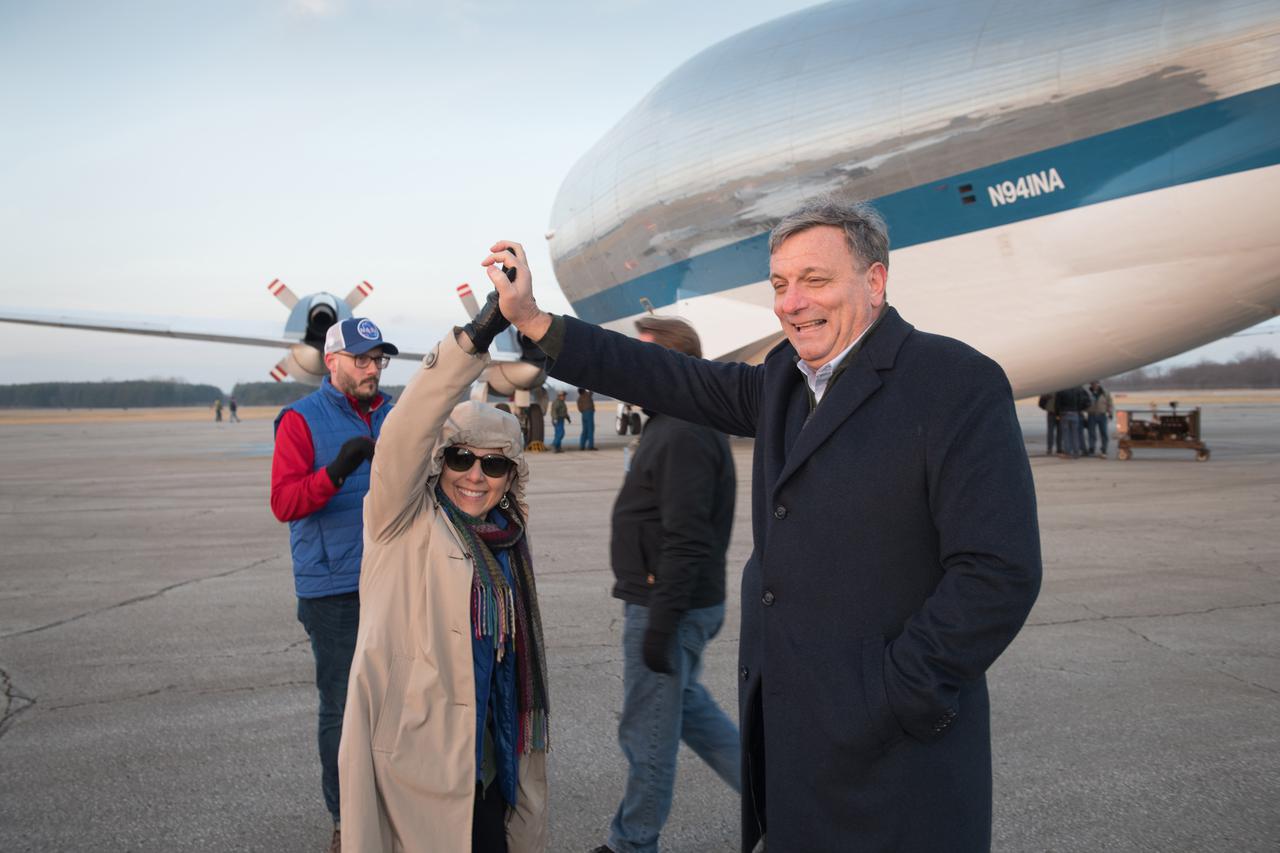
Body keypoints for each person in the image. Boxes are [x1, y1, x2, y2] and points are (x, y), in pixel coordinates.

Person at [483, 197, 1042, 852]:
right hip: (795, 740)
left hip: (895, 760)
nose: (793, 302)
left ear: (875, 281)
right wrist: (537, 321)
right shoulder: (783, 379)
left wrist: (889, 694)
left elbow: (998, 572)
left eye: (815, 280)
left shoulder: (955, 383)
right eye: (780, 284)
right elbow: (669, 376)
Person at [339, 292, 549, 853]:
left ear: (512, 476)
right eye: (461, 458)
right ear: (439, 462)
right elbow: (406, 431)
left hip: (489, 764)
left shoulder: (509, 541)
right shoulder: (399, 522)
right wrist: (475, 338)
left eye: (495, 463)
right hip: (416, 762)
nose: (476, 477)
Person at [592, 315, 740, 853]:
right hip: (668, 600)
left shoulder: (682, 431)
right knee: (690, 714)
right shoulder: (671, 421)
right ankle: (782, 802)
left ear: (670, 365)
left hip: (666, 604)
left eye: (642, 358)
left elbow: (687, 537)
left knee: (647, 735)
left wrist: (661, 620)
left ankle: (632, 844)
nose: (630, 369)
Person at [270, 317, 398, 853]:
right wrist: (336, 472)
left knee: (400, 700)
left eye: (379, 360)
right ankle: (346, 818)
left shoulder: (395, 413)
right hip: (334, 590)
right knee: (344, 706)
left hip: (393, 580)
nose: (372, 369)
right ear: (333, 362)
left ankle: (394, 805)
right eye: (363, 360)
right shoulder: (299, 420)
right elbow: (284, 503)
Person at [1086, 380, 1114, 456]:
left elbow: (1110, 403)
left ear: (1098, 384)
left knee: (1104, 433)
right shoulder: (1088, 393)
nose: (1094, 385)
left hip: (1102, 415)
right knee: (1091, 433)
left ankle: (1104, 449)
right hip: (1091, 415)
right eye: (1092, 384)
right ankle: (1092, 448)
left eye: (1095, 384)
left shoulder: (1105, 393)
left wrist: (1110, 413)